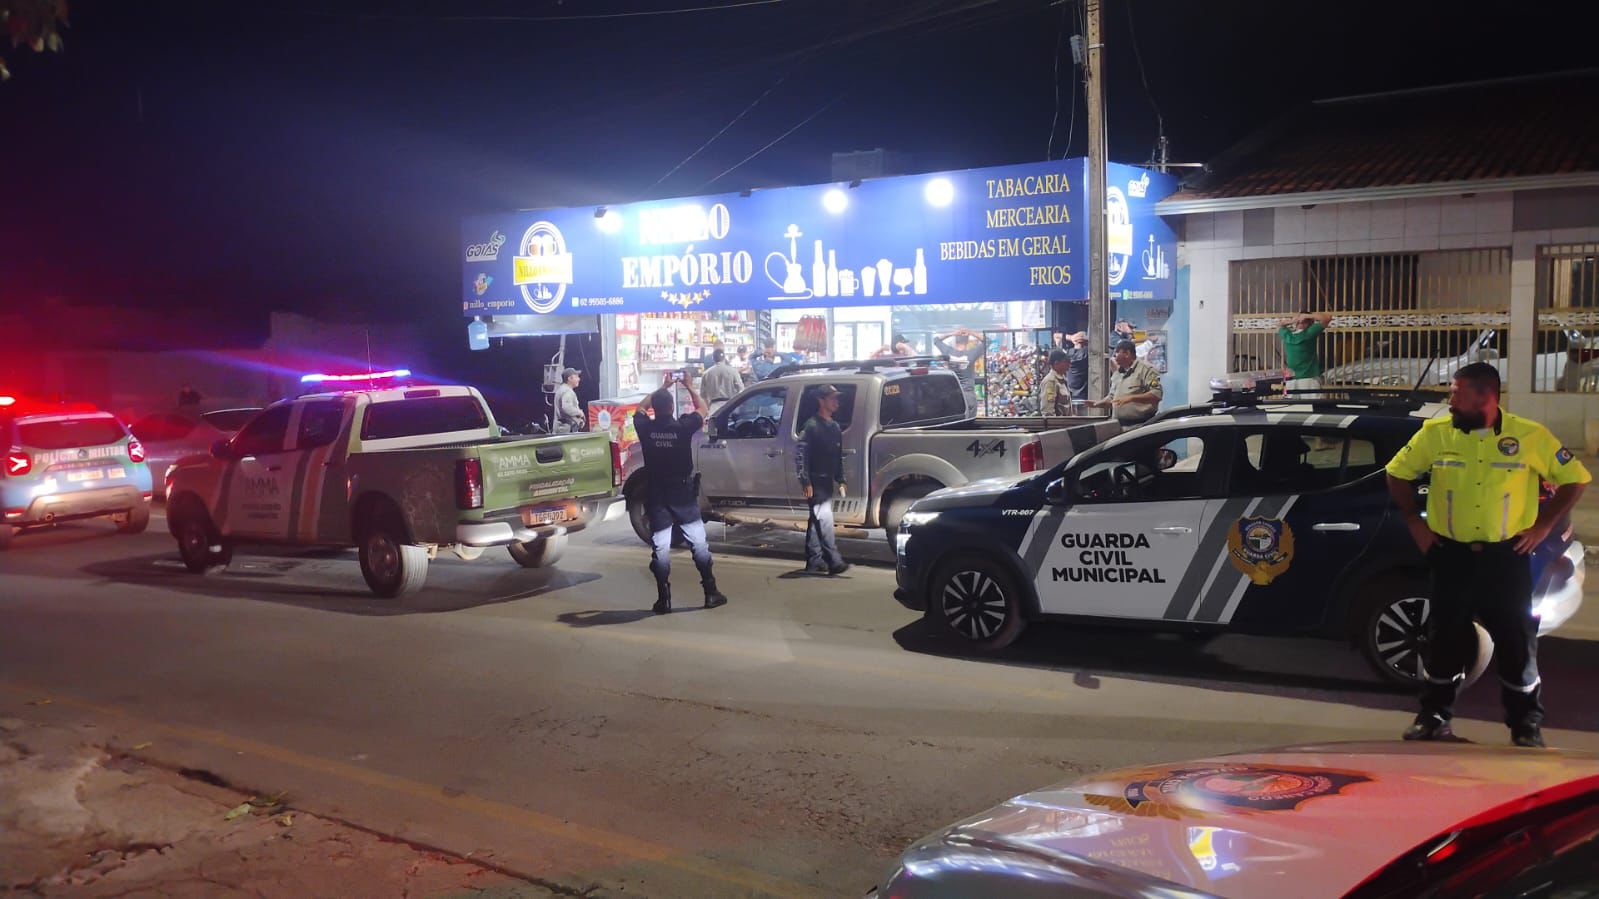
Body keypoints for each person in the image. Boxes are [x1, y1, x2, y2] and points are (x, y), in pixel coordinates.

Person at [1385, 362, 1589, 748]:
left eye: (1456, 393)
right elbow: (1396, 473)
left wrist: (1543, 526)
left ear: (1485, 396)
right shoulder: (1436, 434)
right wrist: (1414, 520)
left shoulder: (1530, 436)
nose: (1450, 400)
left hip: (1506, 559)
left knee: (1517, 642)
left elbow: (1575, 478)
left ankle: (1525, 725)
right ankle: (1433, 717)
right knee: (1444, 639)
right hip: (1451, 555)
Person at [633, 372, 727, 615]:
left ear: (655, 408)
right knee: (699, 545)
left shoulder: (645, 428)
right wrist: (689, 386)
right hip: (682, 495)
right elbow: (703, 408)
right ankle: (710, 592)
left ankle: (663, 599)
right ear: (672, 407)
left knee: (661, 549)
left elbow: (640, 408)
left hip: (657, 495)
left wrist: (662, 386)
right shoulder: (682, 427)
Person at [796, 384, 849, 576]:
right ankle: (834, 561)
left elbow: (837, 455)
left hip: (827, 482)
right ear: (821, 400)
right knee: (824, 519)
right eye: (832, 398)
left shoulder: (834, 427)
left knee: (816, 519)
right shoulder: (811, 426)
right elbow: (801, 455)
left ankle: (814, 561)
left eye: (836, 398)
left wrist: (840, 479)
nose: (836, 402)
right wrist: (805, 481)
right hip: (815, 481)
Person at [1089, 340, 1163, 427]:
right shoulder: (1118, 374)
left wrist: (1132, 398)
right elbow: (1112, 398)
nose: (1114, 357)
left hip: (1140, 425)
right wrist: (1098, 403)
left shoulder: (1146, 370)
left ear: (1127, 353)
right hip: (1118, 425)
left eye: (1117, 353)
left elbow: (1156, 395)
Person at [933, 327, 986, 413]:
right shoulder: (972, 354)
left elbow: (936, 340)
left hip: (953, 395)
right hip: (968, 394)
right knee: (970, 420)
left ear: (955, 340)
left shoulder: (948, 351)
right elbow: (987, 341)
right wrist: (971, 332)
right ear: (967, 341)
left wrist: (952, 333)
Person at [1278, 311, 1334, 391]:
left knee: (1307, 399)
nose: (1301, 322)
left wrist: (1307, 316)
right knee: (1291, 399)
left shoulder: (1309, 332)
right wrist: (1294, 320)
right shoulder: (1290, 334)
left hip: (1306, 378)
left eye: (1304, 321)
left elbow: (1327, 318)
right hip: (1294, 378)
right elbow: (1280, 325)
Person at [1039, 348, 1073, 416]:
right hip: (1058, 422)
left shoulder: (1062, 379)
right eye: (1066, 362)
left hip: (1066, 421)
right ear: (1056, 363)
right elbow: (1048, 411)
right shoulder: (1050, 381)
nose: (1069, 365)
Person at [552, 368, 585, 434]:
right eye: (576, 377)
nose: (579, 379)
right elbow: (567, 408)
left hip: (560, 428)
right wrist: (579, 412)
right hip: (566, 430)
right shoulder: (567, 391)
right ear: (569, 378)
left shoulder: (561, 389)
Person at [1064, 331, 1090, 402]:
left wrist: (1071, 337)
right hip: (1083, 395)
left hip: (1069, 394)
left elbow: (1056, 336)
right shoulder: (1087, 354)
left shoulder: (1067, 354)